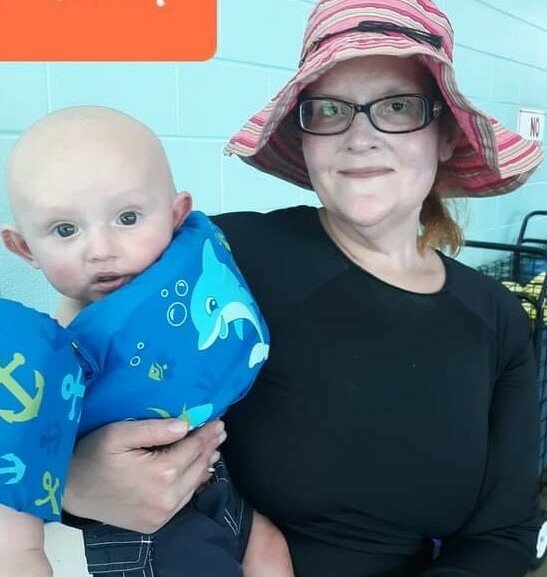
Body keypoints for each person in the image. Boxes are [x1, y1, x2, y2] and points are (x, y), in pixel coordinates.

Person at [58, 1, 545, 576]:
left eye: (397, 106)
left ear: (444, 134)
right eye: (329, 109)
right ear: (305, 135)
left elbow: (503, 535)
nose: (360, 137)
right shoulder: (221, 257)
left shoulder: (495, 316)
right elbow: (72, 349)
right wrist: (70, 481)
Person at [0, 106, 293, 577]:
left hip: (215, 483)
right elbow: (14, 450)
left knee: (269, 546)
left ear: (177, 215)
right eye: (65, 230)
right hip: (138, 529)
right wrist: (22, 556)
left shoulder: (185, 286)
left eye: (128, 217)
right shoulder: (54, 355)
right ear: (23, 248)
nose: (101, 249)